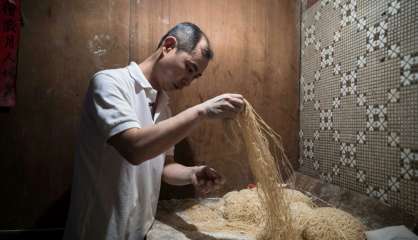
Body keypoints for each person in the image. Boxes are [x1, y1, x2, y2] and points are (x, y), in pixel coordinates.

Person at [63, 22, 245, 240]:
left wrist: (192, 173)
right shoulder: (110, 83)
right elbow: (135, 149)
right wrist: (201, 111)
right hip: (99, 231)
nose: (189, 81)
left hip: (140, 231)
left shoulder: (164, 108)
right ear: (168, 46)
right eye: (189, 68)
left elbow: (164, 167)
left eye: (195, 76)